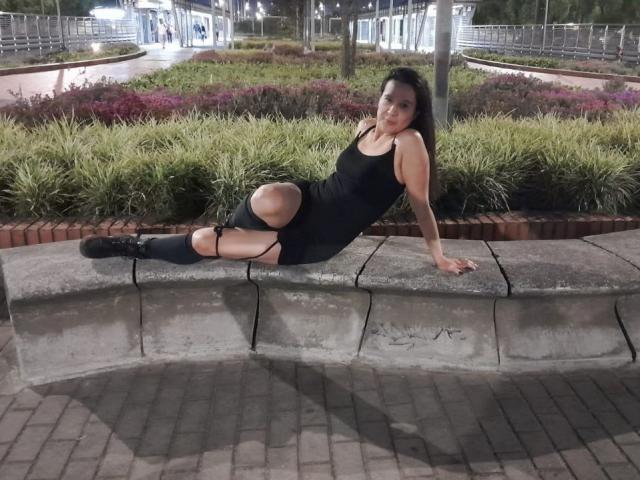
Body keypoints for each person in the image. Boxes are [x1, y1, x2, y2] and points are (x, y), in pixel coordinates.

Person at [79, 68, 478, 276]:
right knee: (266, 196)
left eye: (404, 106)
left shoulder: (408, 144)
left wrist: (439, 257)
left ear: (416, 113)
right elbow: (343, 182)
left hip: (317, 239)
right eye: (388, 99)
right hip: (310, 199)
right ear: (379, 97)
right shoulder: (365, 127)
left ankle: (135, 247)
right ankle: (231, 234)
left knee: (202, 240)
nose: (392, 111)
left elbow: (421, 206)